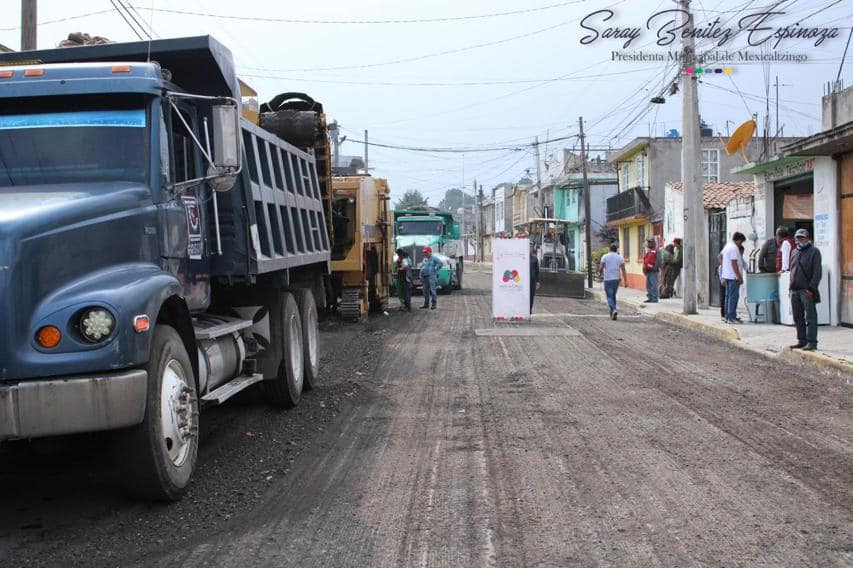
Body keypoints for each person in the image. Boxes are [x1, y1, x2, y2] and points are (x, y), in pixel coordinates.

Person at [789, 229, 822, 351]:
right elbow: (792, 270)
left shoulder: (814, 252)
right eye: (798, 238)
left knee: (810, 317)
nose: (800, 240)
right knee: (798, 317)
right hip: (794, 290)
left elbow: (817, 273)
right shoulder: (794, 252)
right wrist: (790, 288)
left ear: (808, 238)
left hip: (806, 290)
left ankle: (812, 342)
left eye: (802, 238)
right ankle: (801, 340)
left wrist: (811, 288)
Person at [720, 232, 747, 324]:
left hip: (727, 275)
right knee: (733, 297)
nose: (741, 244)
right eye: (741, 242)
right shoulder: (734, 248)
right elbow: (734, 263)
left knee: (728, 297)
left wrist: (724, 269)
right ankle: (731, 317)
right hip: (733, 277)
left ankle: (728, 316)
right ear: (738, 240)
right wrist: (739, 276)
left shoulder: (728, 246)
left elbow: (720, 257)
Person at [598, 243, 628, 320]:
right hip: (616, 280)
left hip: (608, 279)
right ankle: (612, 313)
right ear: (616, 250)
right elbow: (623, 269)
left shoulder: (605, 257)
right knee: (613, 295)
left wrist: (599, 274)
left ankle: (614, 309)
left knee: (609, 297)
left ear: (609, 249)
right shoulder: (620, 257)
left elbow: (601, 267)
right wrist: (626, 281)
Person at [419, 245, 442, 310]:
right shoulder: (425, 259)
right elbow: (422, 267)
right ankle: (426, 304)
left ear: (430, 252)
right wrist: (420, 275)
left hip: (431, 276)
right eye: (424, 252)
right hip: (425, 277)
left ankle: (433, 304)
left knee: (433, 290)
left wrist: (436, 270)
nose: (425, 253)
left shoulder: (434, 258)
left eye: (426, 252)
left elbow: (440, 263)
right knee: (425, 291)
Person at [642, 237, 659, 303]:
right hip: (648, 271)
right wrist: (644, 268)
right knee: (648, 285)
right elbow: (645, 260)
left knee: (654, 285)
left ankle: (654, 298)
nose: (649, 244)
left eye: (650, 242)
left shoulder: (656, 251)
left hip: (653, 271)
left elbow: (658, 261)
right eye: (648, 242)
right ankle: (650, 297)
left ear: (653, 243)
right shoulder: (648, 251)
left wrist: (654, 268)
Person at [529, 242, 541, 312]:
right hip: (524, 281)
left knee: (531, 297)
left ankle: (529, 311)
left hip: (532, 282)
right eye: (529, 246)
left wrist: (538, 281)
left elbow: (537, 271)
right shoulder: (522, 258)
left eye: (531, 247)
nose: (530, 248)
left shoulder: (535, 258)